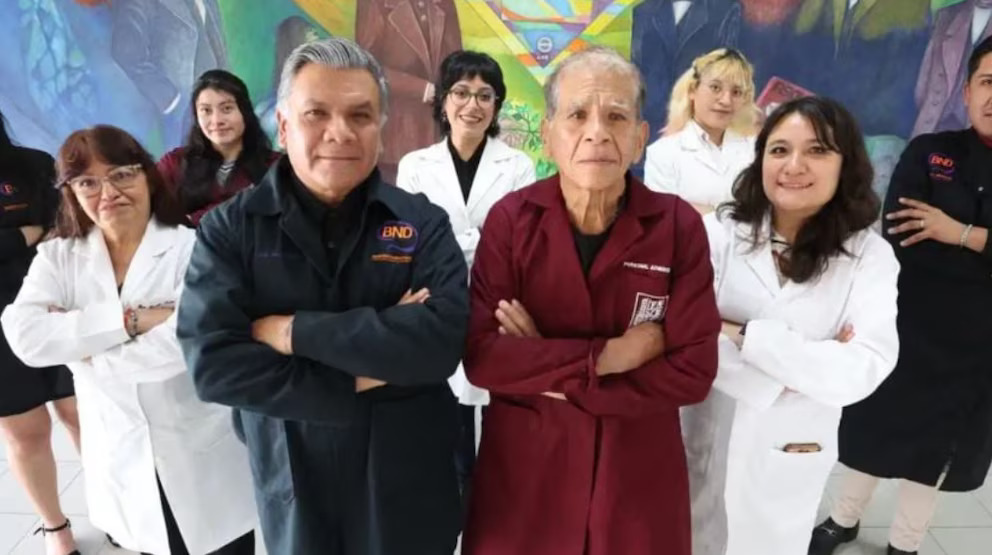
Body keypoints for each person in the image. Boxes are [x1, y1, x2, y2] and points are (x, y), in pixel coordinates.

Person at [175, 38, 469, 555]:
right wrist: (372, 362)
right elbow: (215, 365)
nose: (340, 132)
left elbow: (440, 343)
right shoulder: (232, 230)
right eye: (317, 114)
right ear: (284, 125)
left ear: (380, 127)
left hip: (406, 467)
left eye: (360, 115)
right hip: (293, 468)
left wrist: (292, 332)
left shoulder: (420, 222)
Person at [461, 46, 720, 555]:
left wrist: (546, 367)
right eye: (577, 114)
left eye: (616, 116)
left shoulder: (676, 226)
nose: (597, 132)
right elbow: (484, 358)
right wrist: (611, 356)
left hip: (635, 477)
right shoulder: (511, 221)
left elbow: (693, 372)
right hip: (528, 472)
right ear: (549, 133)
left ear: (640, 138)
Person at [0, 125, 256, 555]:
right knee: (150, 542)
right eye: (87, 182)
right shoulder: (59, 256)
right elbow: (26, 337)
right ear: (71, 192)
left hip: (199, 450)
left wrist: (81, 352)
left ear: (147, 177)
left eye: (121, 174)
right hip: (119, 456)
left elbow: (187, 344)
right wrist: (132, 322)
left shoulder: (193, 248)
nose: (108, 193)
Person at [687, 96, 900, 555]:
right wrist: (796, 369)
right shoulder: (720, 233)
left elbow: (863, 367)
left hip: (790, 448)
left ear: (846, 163)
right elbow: (686, 335)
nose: (794, 165)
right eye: (779, 149)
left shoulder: (869, 256)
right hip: (701, 430)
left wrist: (742, 333)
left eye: (817, 150)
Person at [811, 35, 992, 555]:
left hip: (978, 342)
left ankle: (905, 543)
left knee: (940, 447)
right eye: (988, 82)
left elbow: (935, 235)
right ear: (967, 90)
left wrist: (957, 232)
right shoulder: (930, 151)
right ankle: (842, 519)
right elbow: (901, 233)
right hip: (907, 321)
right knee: (876, 426)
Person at [396, 49, 535, 503]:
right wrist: (476, 239)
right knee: (446, 414)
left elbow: (516, 242)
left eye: (484, 95)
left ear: (496, 105)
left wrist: (451, 240)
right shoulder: (415, 165)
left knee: (496, 409)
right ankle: (454, 508)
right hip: (436, 299)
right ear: (443, 100)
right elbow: (412, 239)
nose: (472, 105)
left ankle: (492, 505)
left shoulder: (519, 166)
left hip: (496, 301)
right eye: (461, 92)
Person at [0, 111, 80, 555]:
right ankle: (55, 527)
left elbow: (60, 229)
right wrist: (22, 236)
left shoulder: (33, 164)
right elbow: (36, 232)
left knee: (82, 416)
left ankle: (116, 508)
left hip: (55, 308)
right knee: (26, 432)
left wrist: (29, 236)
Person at [644, 48, 758, 213]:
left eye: (736, 92)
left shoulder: (755, 149)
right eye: (715, 87)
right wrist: (734, 214)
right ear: (692, 90)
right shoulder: (662, 153)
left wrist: (699, 210)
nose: (726, 100)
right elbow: (664, 217)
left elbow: (765, 214)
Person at [158, 69, 279, 225]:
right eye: (206, 111)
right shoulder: (174, 164)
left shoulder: (276, 167)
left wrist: (194, 219)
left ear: (245, 112)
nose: (217, 120)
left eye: (226, 109)